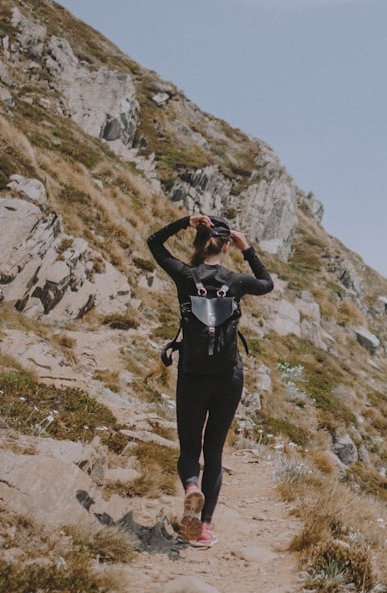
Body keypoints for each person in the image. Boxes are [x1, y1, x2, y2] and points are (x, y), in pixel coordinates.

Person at [147, 213, 274, 548]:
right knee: (214, 451)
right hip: (228, 376)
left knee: (190, 448)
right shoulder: (236, 280)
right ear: (227, 244)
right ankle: (203, 528)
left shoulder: (185, 275)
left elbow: (154, 244)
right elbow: (267, 283)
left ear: (199, 242)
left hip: (192, 374)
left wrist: (182, 221)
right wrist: (248, 250)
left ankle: (191, 488)